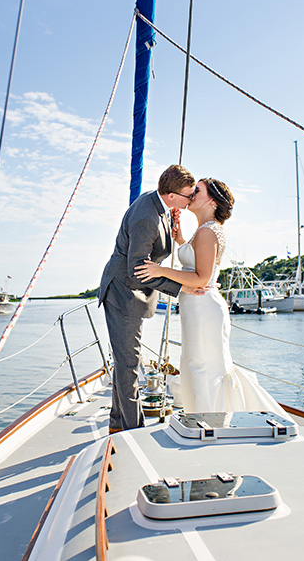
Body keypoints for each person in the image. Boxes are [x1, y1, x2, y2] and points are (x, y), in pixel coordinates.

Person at [135, 178, 285, 415]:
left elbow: (202, 278)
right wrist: (180, 239)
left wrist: (160, 270)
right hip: (197, 308)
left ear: (212, 202)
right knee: (197, 364)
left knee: (205, 367)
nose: (192, 193)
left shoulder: (208, 232)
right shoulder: (204, 231)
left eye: (198, 190)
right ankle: (205, 417)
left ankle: (212, 420)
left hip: (203, 308)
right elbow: (196, 260)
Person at [98, 165, 202, 433]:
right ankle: (133, 431)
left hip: (132, 293)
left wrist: (172, 221)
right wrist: (180, 288)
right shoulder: (147, 217)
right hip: (124, 292)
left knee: (126, 361)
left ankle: (117, 423)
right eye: (188, 196)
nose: (190, 201)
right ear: (170, 194)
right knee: (129, 364)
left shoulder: (157, 205)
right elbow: (137, 271)